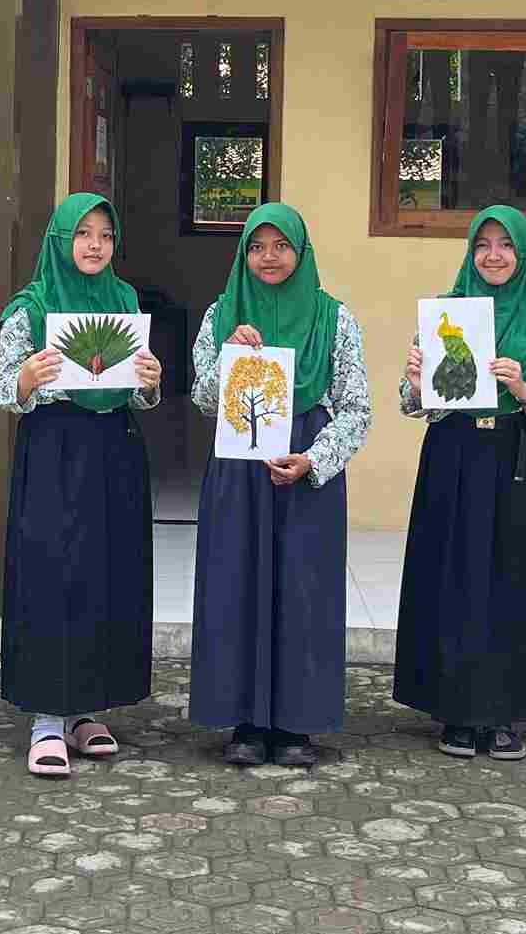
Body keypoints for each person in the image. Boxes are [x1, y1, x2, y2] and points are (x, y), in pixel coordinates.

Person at [189, 203, 371, 768]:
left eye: (281, 246)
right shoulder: (222, 314)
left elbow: (356, 408)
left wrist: (314, 460)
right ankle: (244, 722)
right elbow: (201, 398)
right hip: (239, 467)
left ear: (301, 252)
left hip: (305, 469)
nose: (269, 257)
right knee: (236, 584)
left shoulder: (334, 319)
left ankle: (297, 724)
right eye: (257, 247)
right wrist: (230, 357)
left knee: (303, 591)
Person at [0, 193, 164, 777]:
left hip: (115, 447)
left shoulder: (124, 301)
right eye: (83, 233)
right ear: (60, 239)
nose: (95, 245)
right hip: (53, 450)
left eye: (105, 235)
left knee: (106, 573)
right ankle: (46, 718)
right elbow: (3, 392)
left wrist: (150, 380)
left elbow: (140, 393)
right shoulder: (31, 306)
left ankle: (88, 708)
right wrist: (26, 377)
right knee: (51, 573)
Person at [393, 206, 526, 762]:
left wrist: (522, 389)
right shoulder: (445, 314)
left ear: (524, 254)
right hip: (453, 456)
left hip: (514, 459)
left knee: (512, 579)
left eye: (506, 245)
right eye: (483, 245)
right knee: (452, 576)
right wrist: (415, 381)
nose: (494, 255)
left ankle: (504, 713)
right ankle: (455, 710)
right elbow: (412, 406)